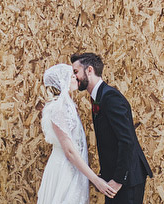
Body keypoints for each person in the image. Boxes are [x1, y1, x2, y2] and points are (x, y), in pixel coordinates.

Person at [71, 53, 153, 204]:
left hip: (128, 180)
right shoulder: (99, 96)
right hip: (114, 178)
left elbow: (126, 140)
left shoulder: (110, 97)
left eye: (76, 72)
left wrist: (118, 180)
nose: (74, 77)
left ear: (89, 70)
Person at [37, 63, 116, 204]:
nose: (76, 79)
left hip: (73, 167)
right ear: (63, 81)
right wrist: (96, 180)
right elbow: (70, 151)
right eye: (72, 76)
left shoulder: (67, 106)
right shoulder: (58, 109)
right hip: (64, 169)